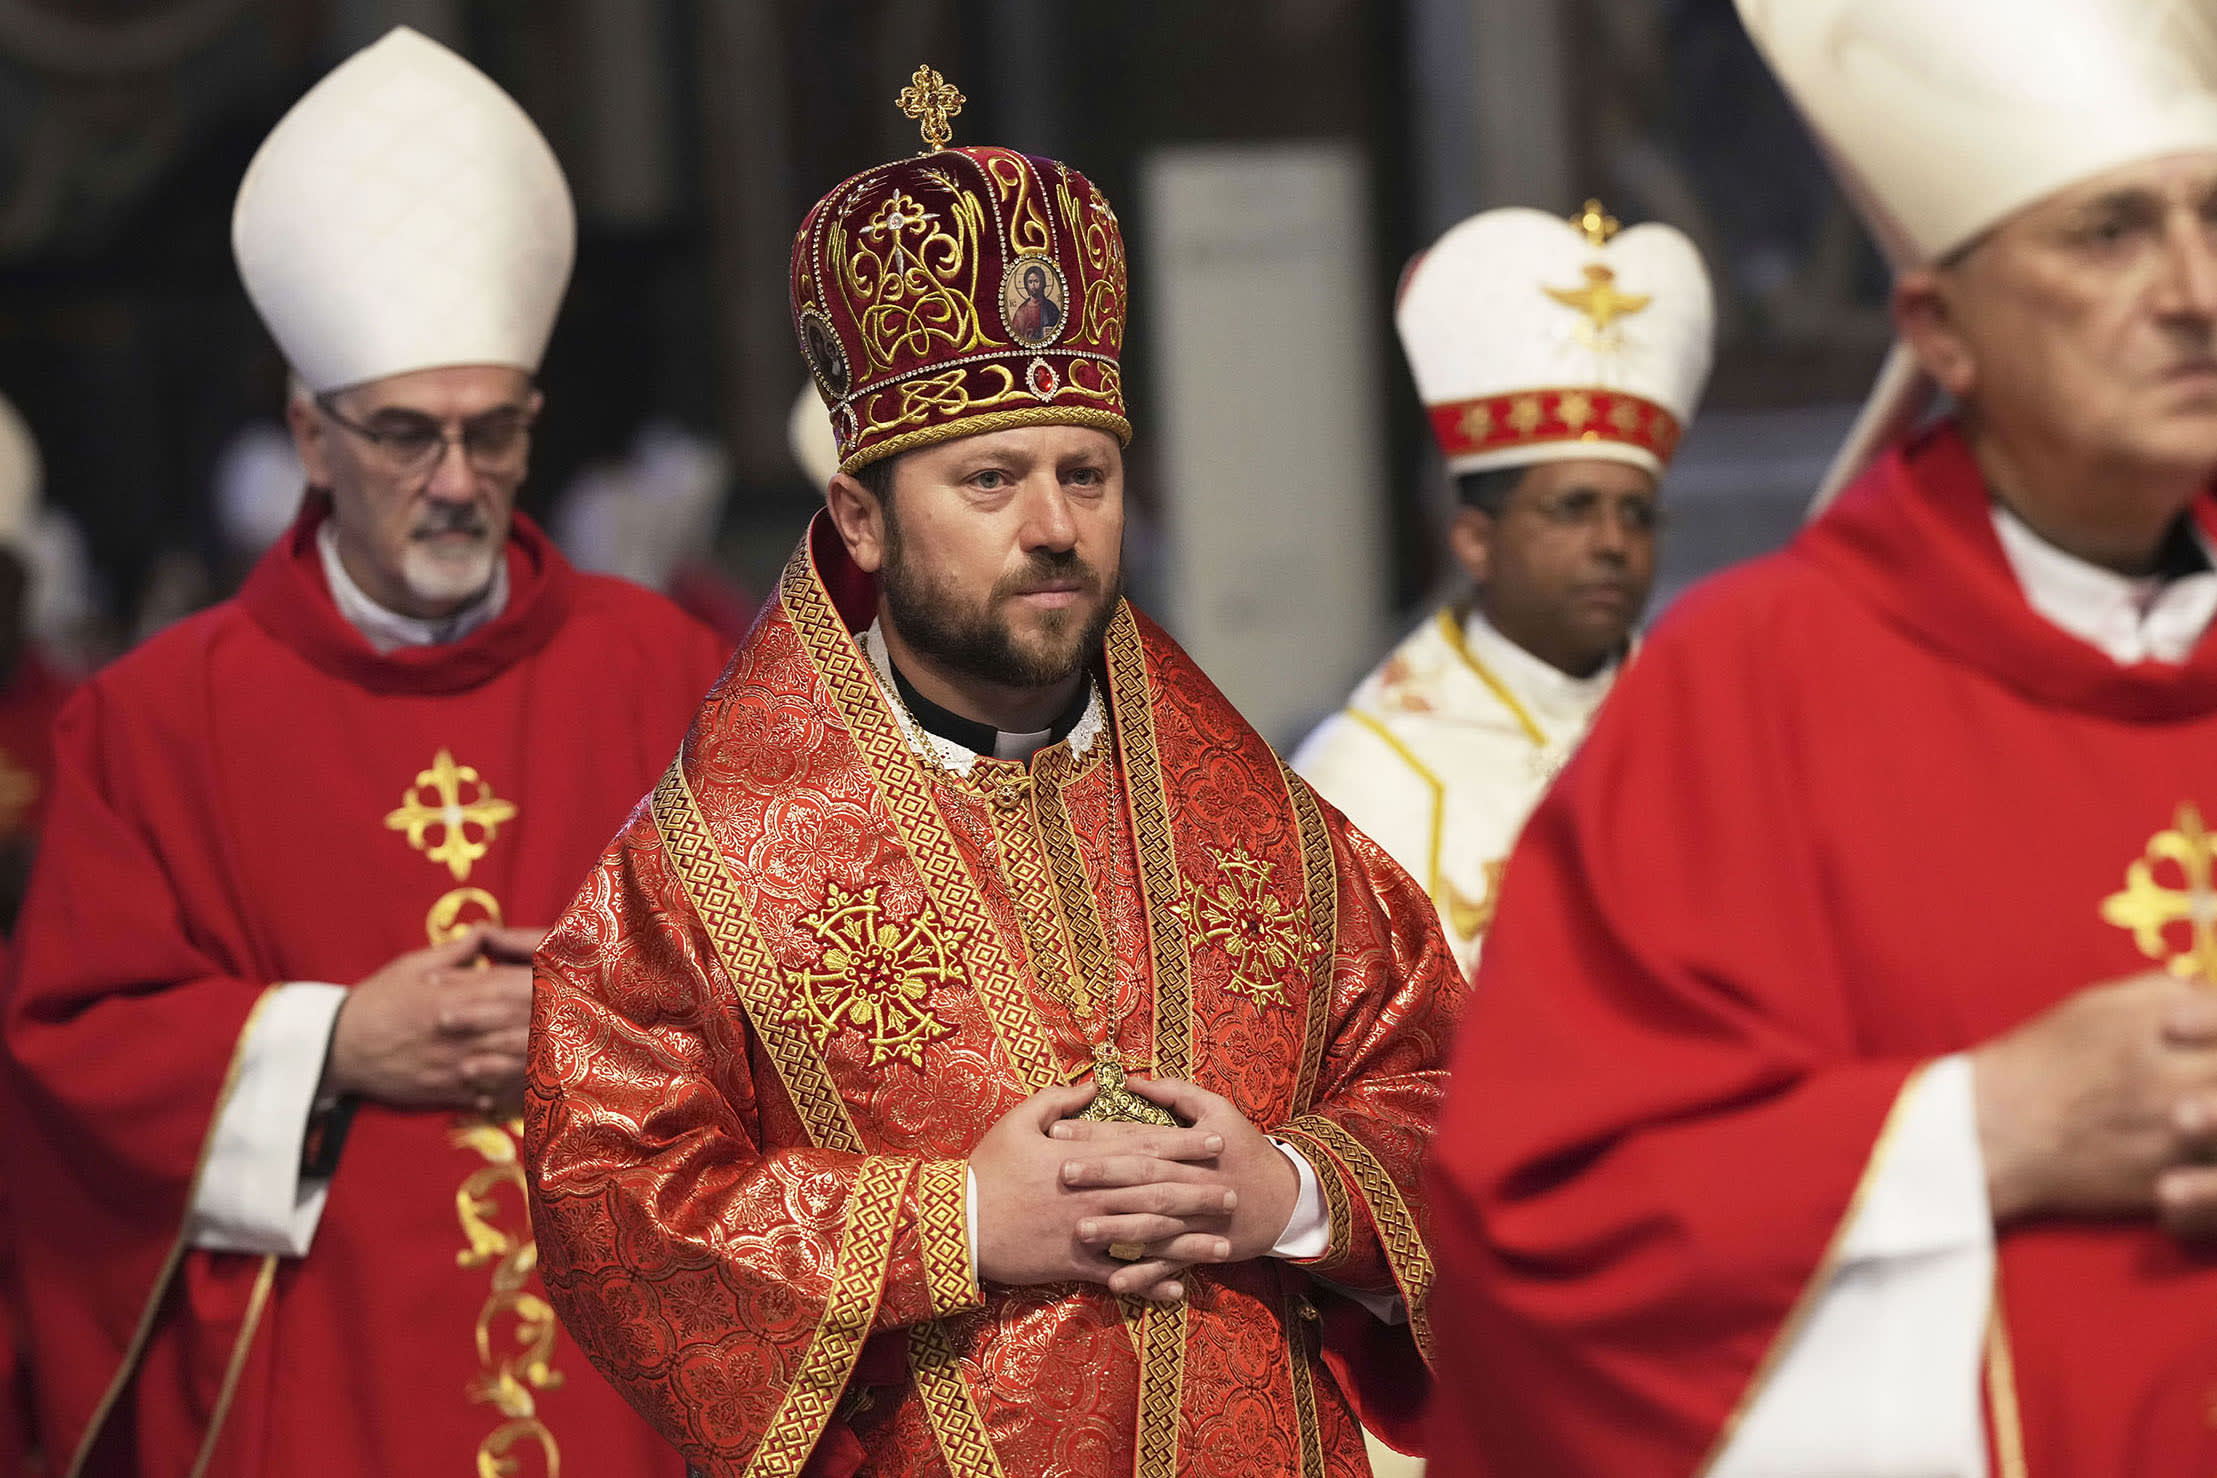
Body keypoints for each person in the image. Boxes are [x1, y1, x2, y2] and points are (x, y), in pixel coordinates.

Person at [525, 72, 1460, 1478]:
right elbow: (610, 1188)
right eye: (988, 481)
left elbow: (1449, 1084)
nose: (1052, 527)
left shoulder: (1263, 825)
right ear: (860, 514)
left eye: (1085, 474)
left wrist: (1295, 1189)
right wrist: (956, 1220)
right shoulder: (716, 858)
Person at [1425, 0, 2217, 1472]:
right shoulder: (1751, 692)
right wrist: (1981, 1130)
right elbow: (1550, 1232)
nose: (2193, 290)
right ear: (1939, 331)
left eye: (2215, 221)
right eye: (2109, 234)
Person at [1, 29, 725, 1477]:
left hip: (627, 1374)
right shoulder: (156, 718)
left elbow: (816, 1001)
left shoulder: (671, 675)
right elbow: (68, 1059)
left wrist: (591, 1028)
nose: (453, 482)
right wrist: (331, 1039)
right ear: (309, 435)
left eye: (491, 433)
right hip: (317, 1373)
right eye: (404, 436)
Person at [1294, 202, 1714, 976]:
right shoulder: (1363, 772)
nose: (1613, 544)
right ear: (1475, 541)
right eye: (1572, 510)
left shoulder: (1714, 736)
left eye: (1637, 514)